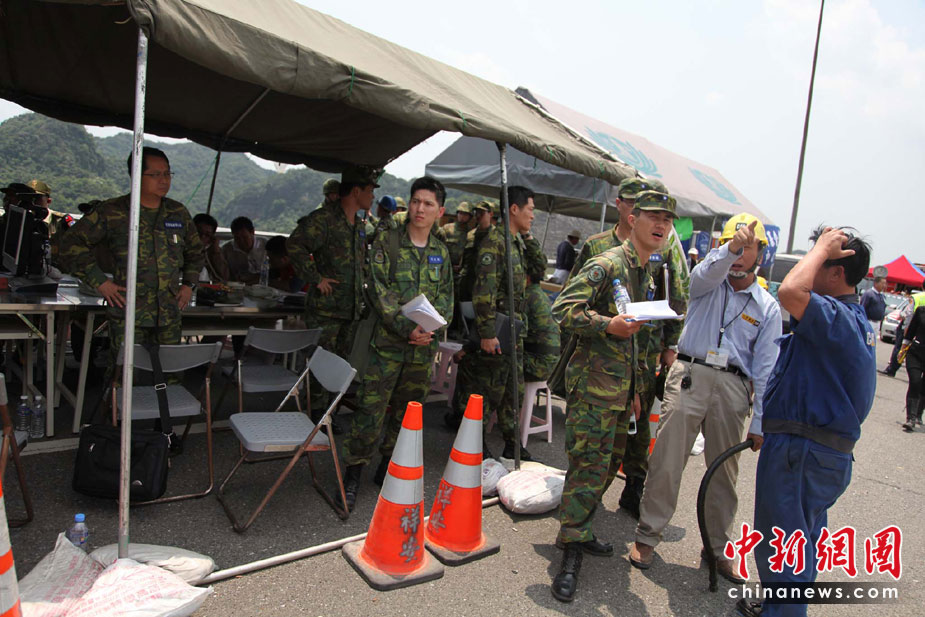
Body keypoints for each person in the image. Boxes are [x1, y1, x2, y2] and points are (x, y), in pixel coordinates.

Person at [630, 213, 782, 584]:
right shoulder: (707, 281)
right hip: (691, 374)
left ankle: (717, 549)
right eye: (733, 245)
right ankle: (647, 535)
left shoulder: (767, 307)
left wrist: (761, 421)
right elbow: (700, 277)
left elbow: (766, 369)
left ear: (761, 253)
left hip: (733, 386)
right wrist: (729, 251)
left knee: (724, 472)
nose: (740, 254)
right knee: (667, 460)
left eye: (747, 247)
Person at [735, 227, 875, 617]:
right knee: (799, 546)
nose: (810, 268)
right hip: (816, 452)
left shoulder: (836, 317)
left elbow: (789, 292)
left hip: (802, 452)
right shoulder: (848, 320)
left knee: (783, 549)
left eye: (819, 261)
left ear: (836, 273)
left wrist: (823, 247)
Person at [549, 190, 677, 603]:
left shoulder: (646, 270)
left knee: (607, 466)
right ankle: (570, 553)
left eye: (668, 220)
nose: (661, 225)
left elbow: (639, 336)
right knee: (587, 468)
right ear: (634, 219)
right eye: (654, 217)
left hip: (622, 392)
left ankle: (579, 529)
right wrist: (607, 324)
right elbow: (563, 309)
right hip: (593, 388)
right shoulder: (608, 263)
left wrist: (637, 390)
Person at [341, 176, 453, 510]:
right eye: (416, 201)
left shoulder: (440, 252)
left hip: (422, 351)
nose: (420, 209)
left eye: (428, 204)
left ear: (440, 211)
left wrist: (430, 328)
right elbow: (378, 290)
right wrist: (407, 327)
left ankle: (387, 467)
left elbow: (446, 298)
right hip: (387, 346)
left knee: (408, 414)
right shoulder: (388, 241)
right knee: (370, 409)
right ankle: (352, 473)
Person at [58, 146, 203, 374]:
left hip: (168, 313)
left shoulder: (178, 212)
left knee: (170, 376)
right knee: (124, 376)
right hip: (128, 314)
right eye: (155, 174)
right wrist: (100, 282)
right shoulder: (113, 211)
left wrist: (188, 284)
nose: (164, 180)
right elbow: (70, 244)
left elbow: (195, 251)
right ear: (136, 175)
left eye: (167, 173)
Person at [288, 165, 379, 429]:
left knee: (339, 364)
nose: (372, 196)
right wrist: (316, 278)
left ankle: (328, 413)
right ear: (356, 191)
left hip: (349, 310)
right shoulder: (324, 219)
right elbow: (295, 244)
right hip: (326, 309)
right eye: (370, 190)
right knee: (321, 363)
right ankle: (314, 415)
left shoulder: (359, 225)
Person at [451, 187, 535, 460]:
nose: (532, 215)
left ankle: (512, 443)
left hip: (514, 330)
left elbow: (538, 269)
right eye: (530, 209)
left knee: (513, 390)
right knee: (488, 390)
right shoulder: (495, 243)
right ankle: (474, 445)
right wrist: (487, 334)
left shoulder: (516, 242)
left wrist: (528, 237)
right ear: (514, 209)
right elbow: (483, 292)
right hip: (497, 330)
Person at [522, 236, 560, 382]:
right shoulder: (540, 295)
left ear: (527, 277)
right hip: (548, 364)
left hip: (537, 366)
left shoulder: (527, 297)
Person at [881, 288, 925, 376]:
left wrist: (906, 327)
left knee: (900, 347)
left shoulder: (917, 297)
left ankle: (892, 368)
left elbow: (908, 313)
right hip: (921, 329)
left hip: (910, 326)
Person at [899, 303, 925, 431]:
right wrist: (902, 349)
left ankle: (919, 413)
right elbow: (910, 332)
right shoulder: (921, 311)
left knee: (923, 386)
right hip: (915, 353)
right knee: (915, 382)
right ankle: (911, 418)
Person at [221, 216, 266, 284]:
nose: (241, 241)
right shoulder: (226, 249)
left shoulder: (265, 245)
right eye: (237, 238)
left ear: (252, 232)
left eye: (245, 237)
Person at [193, 213, 230, 283]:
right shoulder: (181, 249)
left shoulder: (211, 252)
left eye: (207, 235)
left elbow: (224, 276)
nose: (202, 237)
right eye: (199, 233)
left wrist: (216, 251)